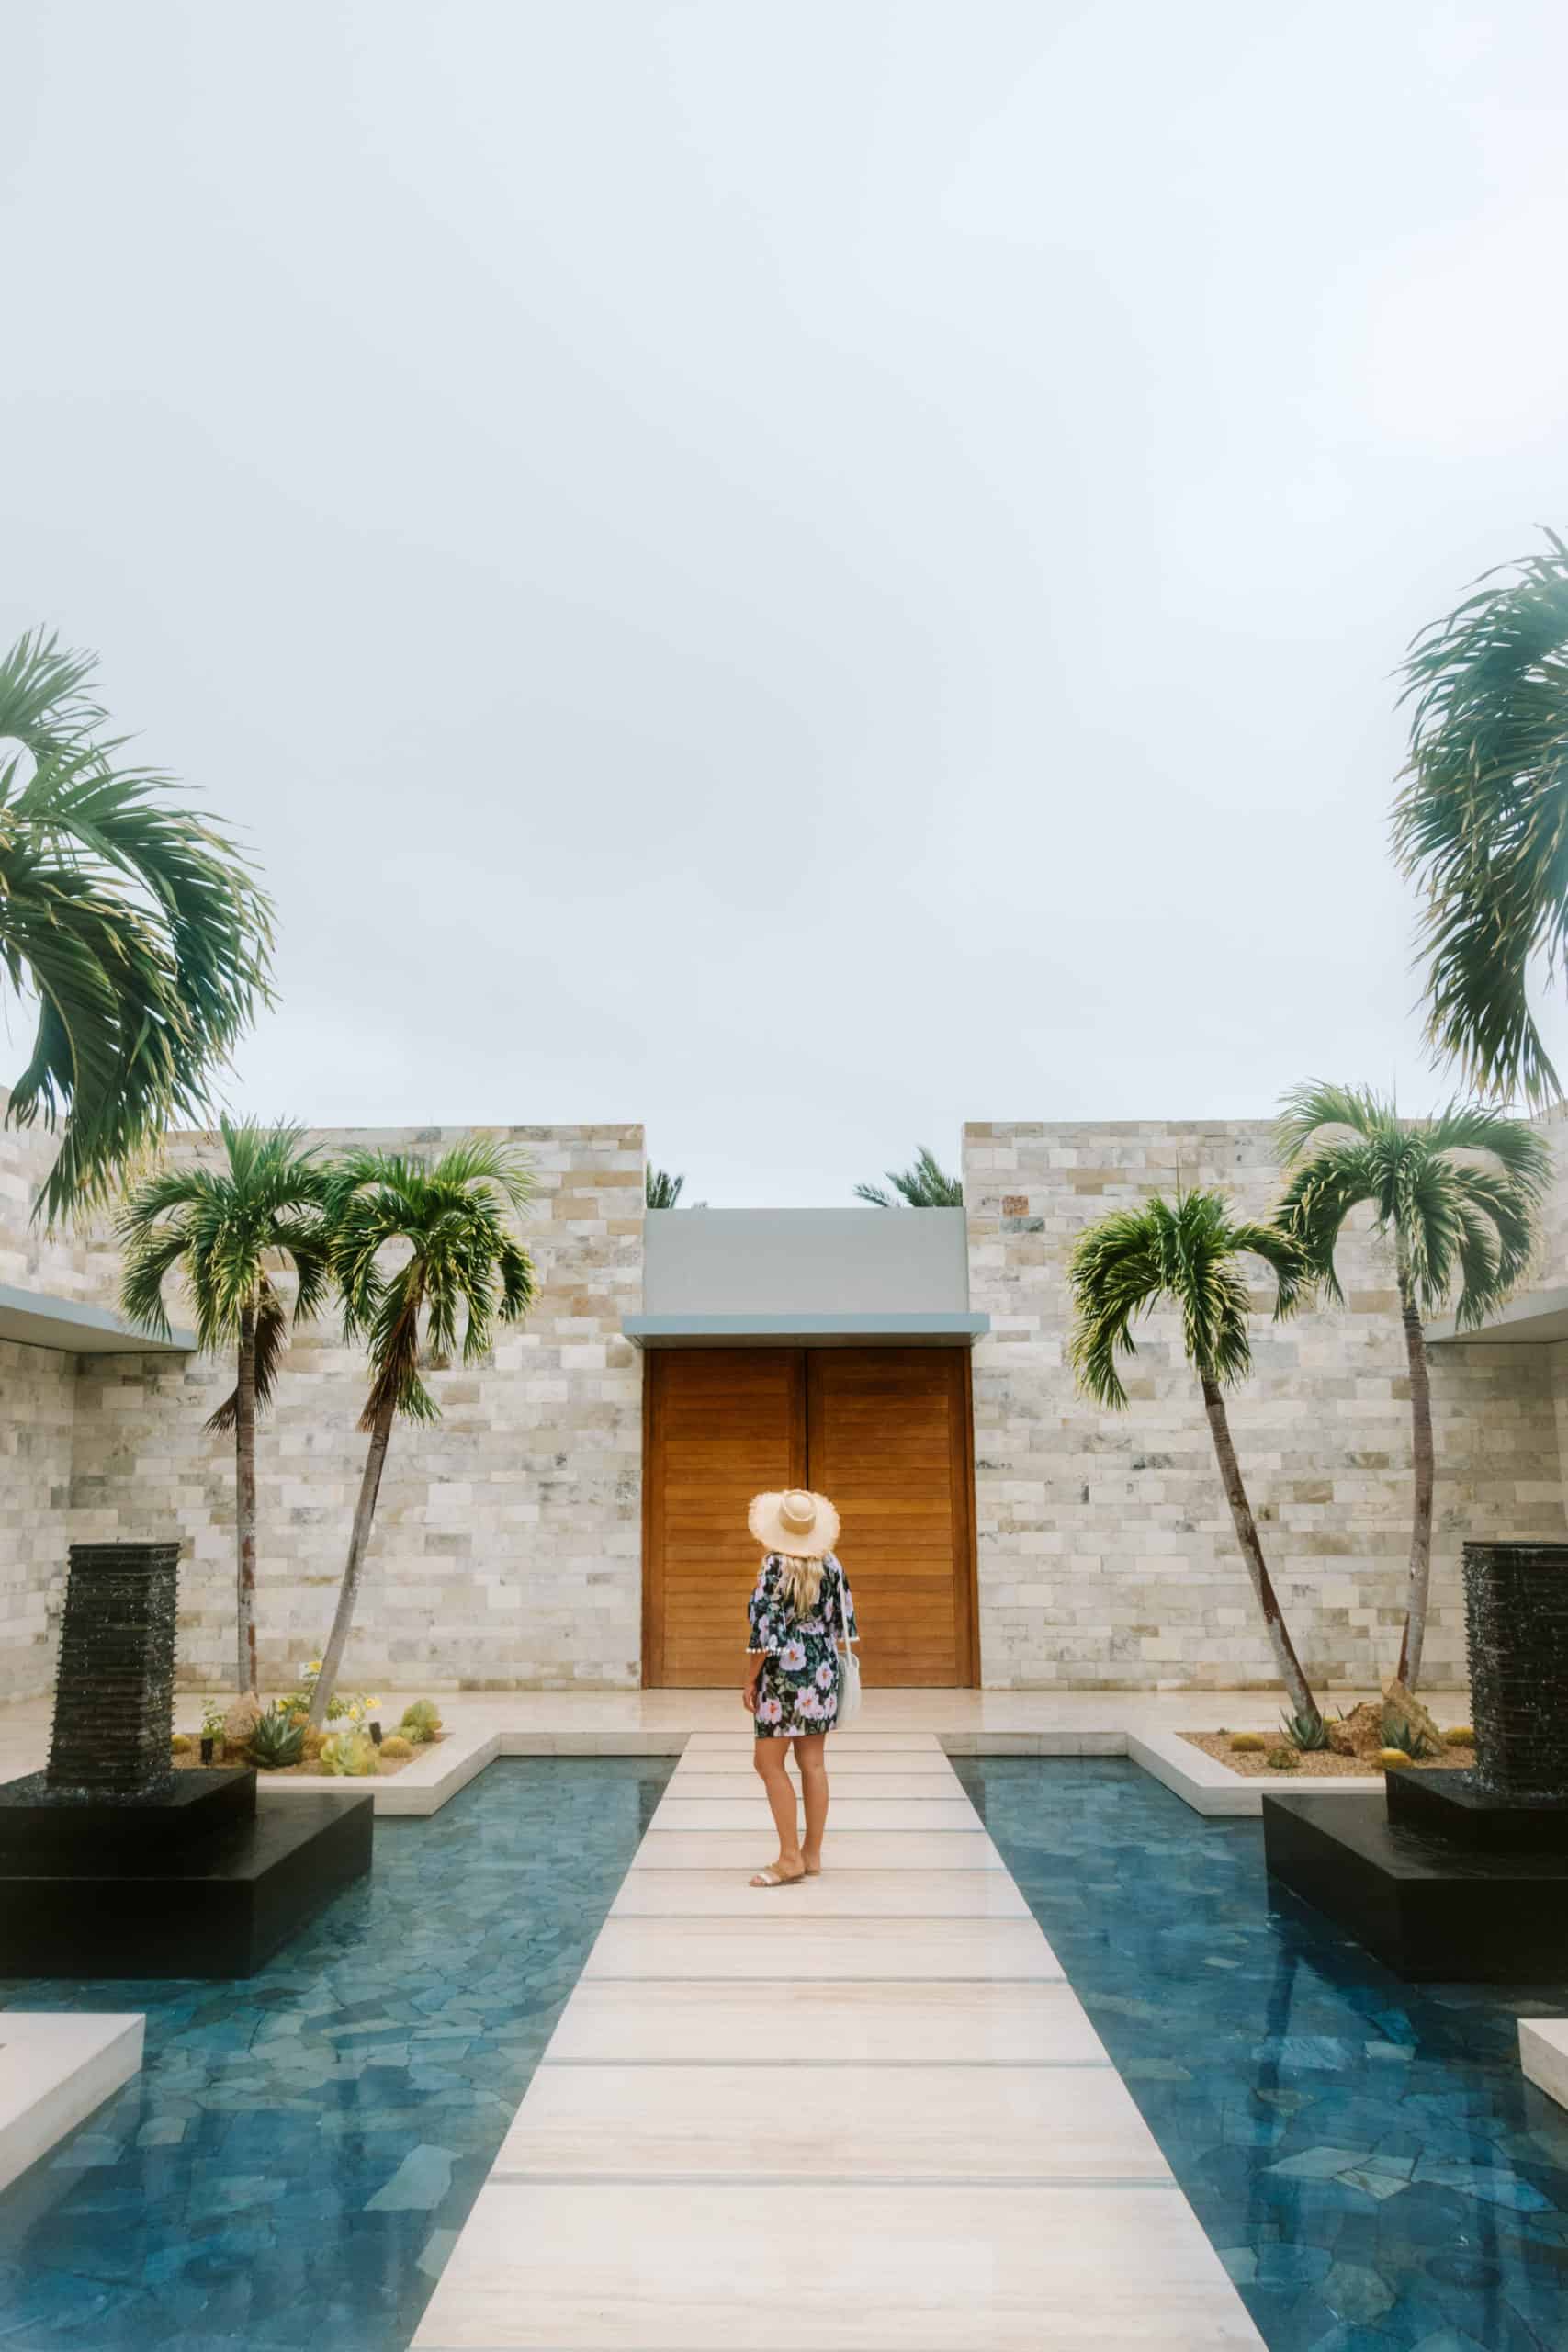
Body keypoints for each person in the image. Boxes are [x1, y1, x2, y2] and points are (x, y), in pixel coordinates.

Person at [741, 1487, 859, 1889]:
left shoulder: (774, 1566)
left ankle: (789, 1858)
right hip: (822, 1667)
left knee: (767, 1762)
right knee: (813, 1762)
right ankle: (811, 1854)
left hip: (784, 1668)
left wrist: (750, 1676)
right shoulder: (833, 1563)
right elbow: (845, 1624)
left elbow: (765, 1632)